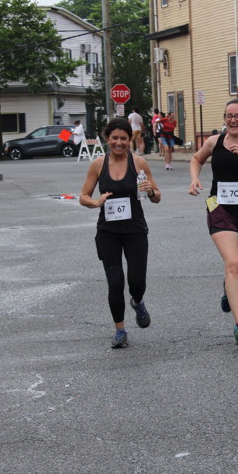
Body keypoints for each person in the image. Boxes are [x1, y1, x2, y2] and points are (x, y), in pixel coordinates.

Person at [188, 99, 238, 345]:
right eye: (228, 115)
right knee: (233, 264)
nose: (232, 120)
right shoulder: (214, 142)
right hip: (219, 207)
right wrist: (194, 179)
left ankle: (228, 289)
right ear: (224, 118)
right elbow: (196, 159)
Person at [79, 117, 161, 348]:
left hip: (135, 230)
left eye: (123, 138)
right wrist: (96, 202)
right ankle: (120, 330)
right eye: (114, 138)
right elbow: (83, 196)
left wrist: (150, 192)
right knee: (115, 282)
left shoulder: (139, 163)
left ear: (129, 140)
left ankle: (138, 301)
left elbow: (157, 196)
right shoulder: (98, 164)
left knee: (137, 282)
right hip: (108, 232)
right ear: (107, 139)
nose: (119, 142)